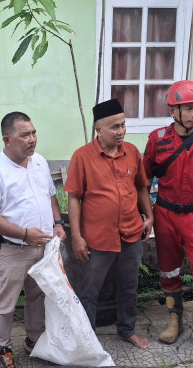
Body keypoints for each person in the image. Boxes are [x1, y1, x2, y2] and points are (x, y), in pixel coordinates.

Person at [0, 111, 66, 368]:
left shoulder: (38, 162)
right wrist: (25, 234)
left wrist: (58, 224)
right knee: (5, 303)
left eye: (33, 133)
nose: (32, 139)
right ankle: (1, 350)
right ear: (7, 139)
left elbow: (50, 195)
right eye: (24, 135)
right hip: (13, 249)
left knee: (37, 295)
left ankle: (34, 339)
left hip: (43, 246)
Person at [142, 81, 193, 361]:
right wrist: (148, 215)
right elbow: (143, 181)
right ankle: (174, 320)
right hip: (165, 214)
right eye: (188, 108)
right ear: (173, 110)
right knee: (168, 271)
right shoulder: (157, 139)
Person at [65, 99, 154, 350]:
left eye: (124, 125)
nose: (121, 131)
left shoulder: (132, 152)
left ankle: (127, 330)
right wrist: (77, 237)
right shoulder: (82, 157)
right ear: (99, 129)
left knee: (129, 287)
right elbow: (74, 198)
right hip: (98, 238)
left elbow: (140, 186)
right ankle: (87, 339)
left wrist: (149, 215)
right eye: (115, 127)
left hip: (131, 233)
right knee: (89, 291)